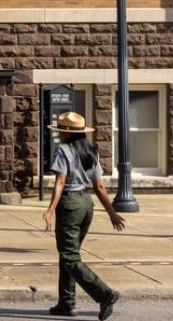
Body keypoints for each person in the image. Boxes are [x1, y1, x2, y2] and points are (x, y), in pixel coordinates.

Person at [43, 112, 125, 319]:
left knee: (69, 256)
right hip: (86, 205)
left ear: (67, 133)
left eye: (60, 131)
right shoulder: (91, 151)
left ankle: (104, 293)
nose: (59, 135)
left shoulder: (63, 150)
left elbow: (60, 182)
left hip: (70, 205)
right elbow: (99, 187)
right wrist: (112, 213)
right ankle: (66, 303)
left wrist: (50, 210)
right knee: (70, 255)